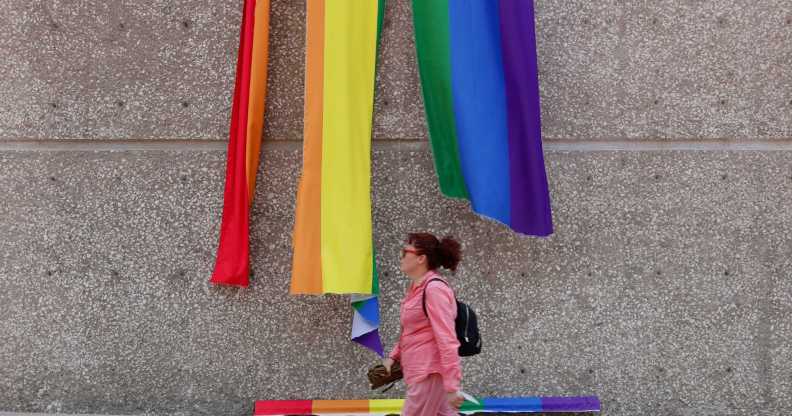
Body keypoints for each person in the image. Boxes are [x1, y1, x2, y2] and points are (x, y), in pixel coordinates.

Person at [383, 232, 463, 416]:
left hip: (428, 374)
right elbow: (411, 331)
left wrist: (452, 386)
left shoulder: (434, 289)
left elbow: (447, 339)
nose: (401, 256)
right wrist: (394, 357)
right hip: (419, 372)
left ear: (421, 258)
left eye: (405, 251)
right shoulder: (415, 289)